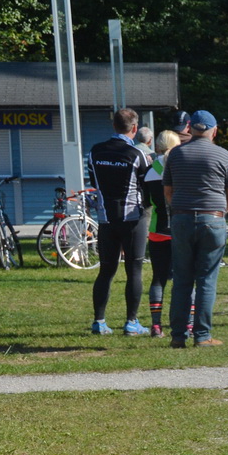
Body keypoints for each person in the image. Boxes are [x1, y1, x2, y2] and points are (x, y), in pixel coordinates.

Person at [162, 110, 228, 348]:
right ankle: (202, 335)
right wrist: (217, 214)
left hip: (182, 218)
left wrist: (180, 210)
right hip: (213, 219)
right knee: (206, 279)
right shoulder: (223, 155)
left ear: (189, 129)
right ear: (214, 131)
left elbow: (167, 192)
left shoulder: (175, 154)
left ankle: (177, 336)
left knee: (182, 279)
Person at [87, 107, 154, 336]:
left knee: (106, 270)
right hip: (133, 219)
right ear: (134, 128)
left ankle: (99, 321)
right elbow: (147, 185)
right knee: (134, 270)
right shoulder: (137, 155)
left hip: (106, 218)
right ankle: (132, 322)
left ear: (114, 126)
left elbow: (93, 181)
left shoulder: (95, 151)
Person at [143, 130, 180, 338]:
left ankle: (156, 326)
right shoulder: (180, 168)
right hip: (180, 229)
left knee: (158, 279)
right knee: (184, 278)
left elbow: (146, 202)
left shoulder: (150, 171)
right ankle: (189, 324)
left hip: (157, 229)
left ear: (156, 147)